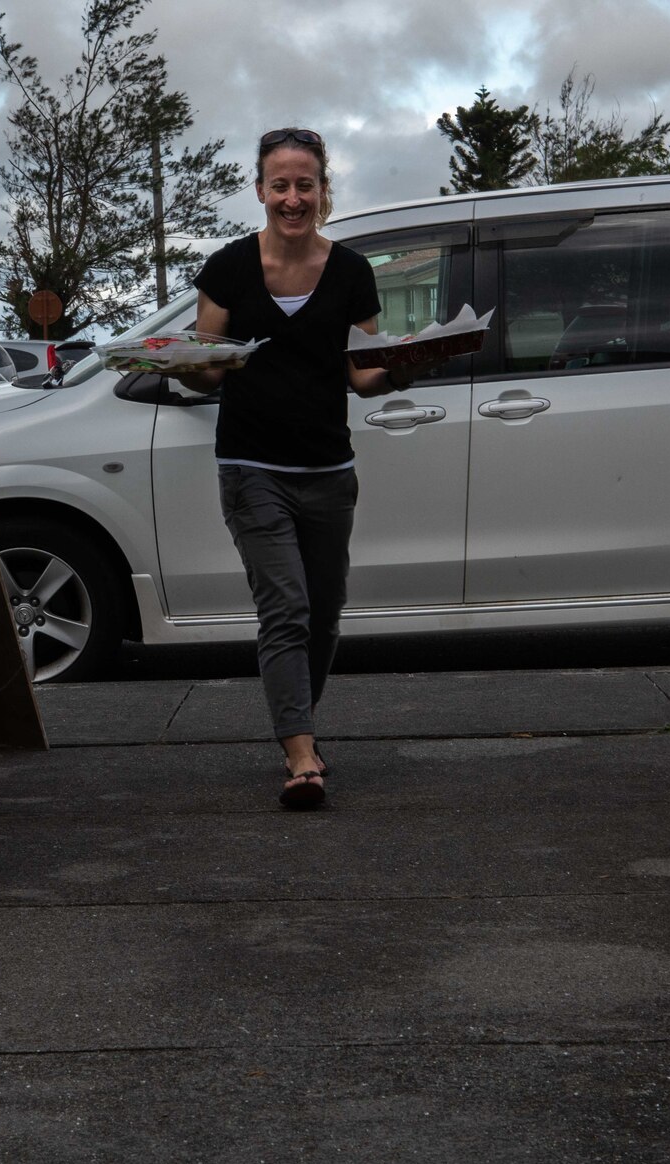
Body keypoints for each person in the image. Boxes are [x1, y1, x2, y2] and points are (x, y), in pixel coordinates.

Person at [178, 127, 416, 809]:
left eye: (304, 184)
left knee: (324, 613)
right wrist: (197, 367)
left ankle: (295, 720)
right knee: (285, 606)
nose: (292, 197)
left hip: (328, 468)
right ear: (259, 191)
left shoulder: (351, 273)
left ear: (322, 191)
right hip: (251, 465)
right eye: (279, 184)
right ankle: (302, 755)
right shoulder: (226, 268)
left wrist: (402, 371)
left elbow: (363, 376)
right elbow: (201, 374)